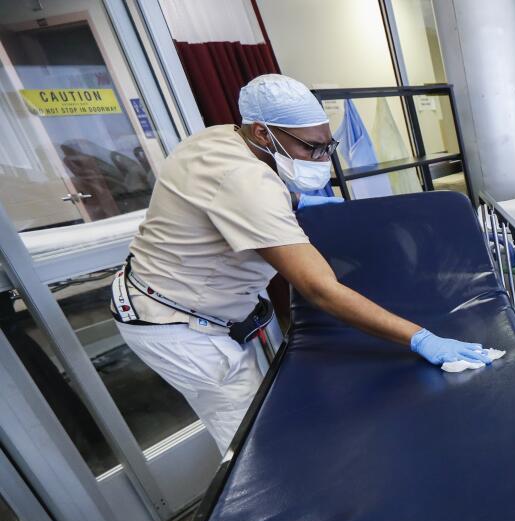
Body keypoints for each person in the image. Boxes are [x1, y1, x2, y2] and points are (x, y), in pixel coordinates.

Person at [111, 74, 490, 452]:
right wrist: (420, 337)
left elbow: (227, 197)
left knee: (269, 405)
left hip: (191, 300)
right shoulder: (245, 180)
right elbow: (319, 289)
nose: (322, 159)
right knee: (252, 441)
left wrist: (294, 202)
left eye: (329, 145)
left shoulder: (217, 138)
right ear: (262, 133)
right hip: (178, 325)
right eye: (312, 148)